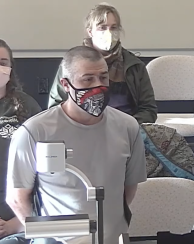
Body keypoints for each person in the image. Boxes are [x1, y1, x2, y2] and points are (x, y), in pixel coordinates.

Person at [6, 46, 147, 244]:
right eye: (88, 79)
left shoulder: (128, 127)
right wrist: (44, 235)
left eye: (103, 78)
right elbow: (17, 198)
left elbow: (128, 189)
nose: (98, 86)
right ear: (66, 84)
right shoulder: (35, 131)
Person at [48, 2, 157, 124]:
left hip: (126, 129)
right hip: (83, 129)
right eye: (102, 27)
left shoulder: (134, 66)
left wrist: (127, 126)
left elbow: (148, 109)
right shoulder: (71, 64)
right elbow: (55, 107)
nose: (109, 32)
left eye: (113, 27)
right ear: (90, 32)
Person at [0, 39, 41, 244]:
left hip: (21, 219)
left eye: (3, 62)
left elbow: (46, 173)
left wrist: (17, 222)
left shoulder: (27, 106)